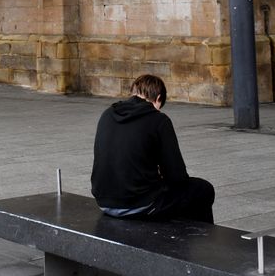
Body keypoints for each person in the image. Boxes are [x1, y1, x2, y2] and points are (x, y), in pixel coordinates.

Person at [91, 74, 214, 222]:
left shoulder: (108, 114)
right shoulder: (159, 120)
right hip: (139, 204)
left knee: (172, 195)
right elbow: (177, 176)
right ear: (158, 98)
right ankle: (201, 241)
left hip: (103, 201)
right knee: (203, 189)